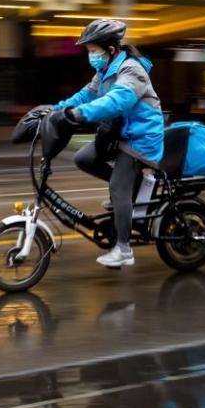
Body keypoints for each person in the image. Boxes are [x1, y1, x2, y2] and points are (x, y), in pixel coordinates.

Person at [48, 19, 165, 268]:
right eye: (88, 51)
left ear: (110, 49)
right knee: (83, 158)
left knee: (117, 187)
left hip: (140, 137)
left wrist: (80, 115)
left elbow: (117, 101)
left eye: (93, 50)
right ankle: (130, 186)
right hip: (120, 132)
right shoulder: (103, 72)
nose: (90, 55)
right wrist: (54, 109)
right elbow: (85, 95)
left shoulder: (132, 70)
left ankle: (123, 249)